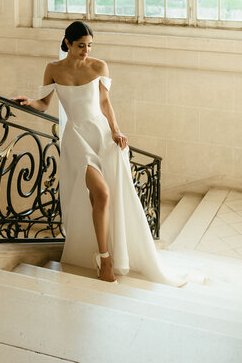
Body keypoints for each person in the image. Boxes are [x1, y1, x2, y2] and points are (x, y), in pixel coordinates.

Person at [12, 21, 206, 288]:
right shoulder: (53, 69)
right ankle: (105, 259)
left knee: (104, 196)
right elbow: (45, 104)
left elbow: (104, 102)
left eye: (89, 46)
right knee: (101, 193)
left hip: (101, 134)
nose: (86, 51)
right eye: (81, 46)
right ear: (67, 43)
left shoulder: (98, 66)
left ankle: (105, 249)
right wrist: (28, 102)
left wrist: (116, 130)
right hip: (75, 138)